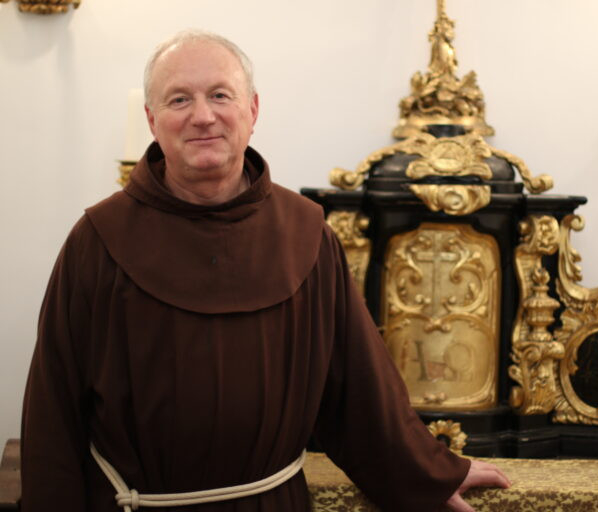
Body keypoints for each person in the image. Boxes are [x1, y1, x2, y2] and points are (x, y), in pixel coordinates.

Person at [21, 30, 509, 512]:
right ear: (152, 119)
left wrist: (429, 474)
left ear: (252, 110)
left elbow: (358, 387)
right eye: (179, 99)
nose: (202, 116)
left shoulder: (305, 233)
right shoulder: (99, 239)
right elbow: (54, 407)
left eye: (220, 95)